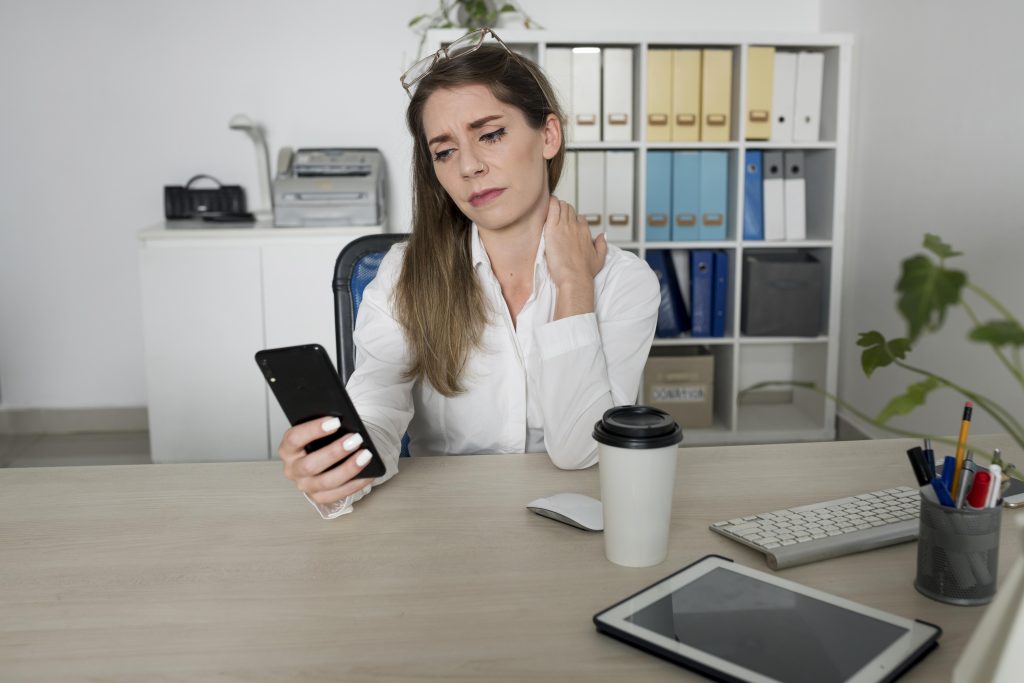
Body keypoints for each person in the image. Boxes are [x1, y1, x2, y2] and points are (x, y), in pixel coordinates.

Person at [278, 30, 660, 518]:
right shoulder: (403, 274)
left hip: (574, 522)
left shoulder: (622, 282)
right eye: (444, 151)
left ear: (548, 135)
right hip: (446, 521)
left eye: (491, 134)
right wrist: (341, 464)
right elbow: (378, 406)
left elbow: (579, 451)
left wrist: (573, 287)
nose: (470, 167)